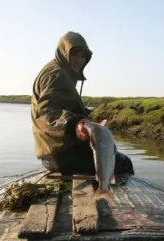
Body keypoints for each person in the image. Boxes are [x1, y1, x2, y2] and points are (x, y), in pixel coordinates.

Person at [30, 31, 135, 179]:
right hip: (60, 155)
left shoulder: (59, 71)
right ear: (64, 52)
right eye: (75, 54)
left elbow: (63, 106)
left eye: (82, 56)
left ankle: (102, 188)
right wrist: (76, 123)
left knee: (110, 150)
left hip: (53, 153)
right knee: (124, 164)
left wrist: (87, 118)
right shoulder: (57, 75)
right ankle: (113, 198)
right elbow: (47, 113)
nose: (79, 60)